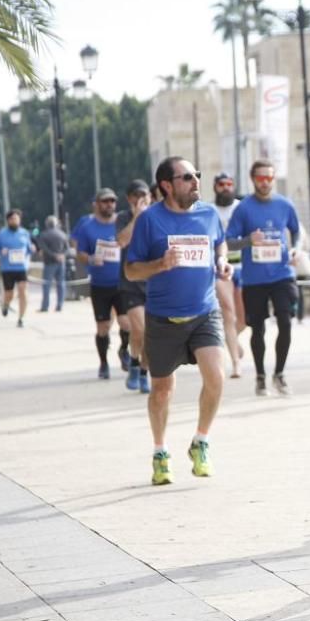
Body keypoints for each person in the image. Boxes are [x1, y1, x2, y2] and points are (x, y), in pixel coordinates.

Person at [126, 156, 232, 486]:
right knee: (161, 391)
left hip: (204, 312)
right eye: (187, 177)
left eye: (197, 174)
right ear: (166, 186)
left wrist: (223, 261)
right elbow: (131, 270)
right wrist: (159, 264)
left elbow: (219, 242)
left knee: (216, 377)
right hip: (162, 317)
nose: (196, 181)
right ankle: (160, 452)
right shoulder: (149, 221)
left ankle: (200, 442)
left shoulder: (208, 213)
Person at [226, 160, 301, 396]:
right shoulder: (244, 208)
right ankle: (260, 376)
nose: (265, 182)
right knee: (257, 329)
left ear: (274, 179)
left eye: (269, 178)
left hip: (282, 274)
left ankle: (279, 374)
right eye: (260, 178)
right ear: (253, 179)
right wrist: (249, 240)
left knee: (286, 323)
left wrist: (297, 248)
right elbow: (228, 242)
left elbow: (297, 231)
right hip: (255, 278)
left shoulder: (285, 204)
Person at [76, 189, 133, 379]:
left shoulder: (121, 222)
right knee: (103, 327)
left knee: (127, 323)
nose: (109, 205)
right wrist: (91, 259)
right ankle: (103, 363)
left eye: (112, 201)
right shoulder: (86, 225)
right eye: (105, 201)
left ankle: (124, 350)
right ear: (96, 204)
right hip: (100, 285)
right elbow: (80, 253)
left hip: (122, 282)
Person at [115, 180, 153, 393]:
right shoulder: (123, 218)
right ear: (129, 198)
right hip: (130, 282)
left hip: (153, 282)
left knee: (148, 335)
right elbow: (121, 241)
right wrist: (137, 216)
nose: (141, 199)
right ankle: (135, 362)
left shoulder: (156, 216)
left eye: (145, 195)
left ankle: (143, 370)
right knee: (139, 329)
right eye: (136, 195)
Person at [212, 172, 244, 378]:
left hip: (243, 265)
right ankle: (235, 363)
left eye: (229, 184)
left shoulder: (241, 207)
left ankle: (229, 338)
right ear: (215, 187)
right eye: (222, 184)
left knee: (244, 318)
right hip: (221, 267)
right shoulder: (209, 211)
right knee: (229, 314)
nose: (226, 187)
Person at [0, 209, 35, 327]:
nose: (14, 221)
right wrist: (1, 251)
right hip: (7, 268)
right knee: (9, 294)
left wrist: (31, 249)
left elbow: (28, 248)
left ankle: (21, 318)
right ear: (8, 221)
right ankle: (5, 304)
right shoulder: (1, 234)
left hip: (21, 267)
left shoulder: (25, 233)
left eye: (16, 219)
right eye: (12, 219)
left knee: (23, 291)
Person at [37, 216, 68, 312]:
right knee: (61, 284)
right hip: (61, 262)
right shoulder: (63, 234)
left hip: (49, 262)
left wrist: (54, 255)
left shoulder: (44, 235)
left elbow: (44, 248)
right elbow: (67, 248)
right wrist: (62, 255)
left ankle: (45, 306)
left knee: (47, 285)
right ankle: (60, 305)